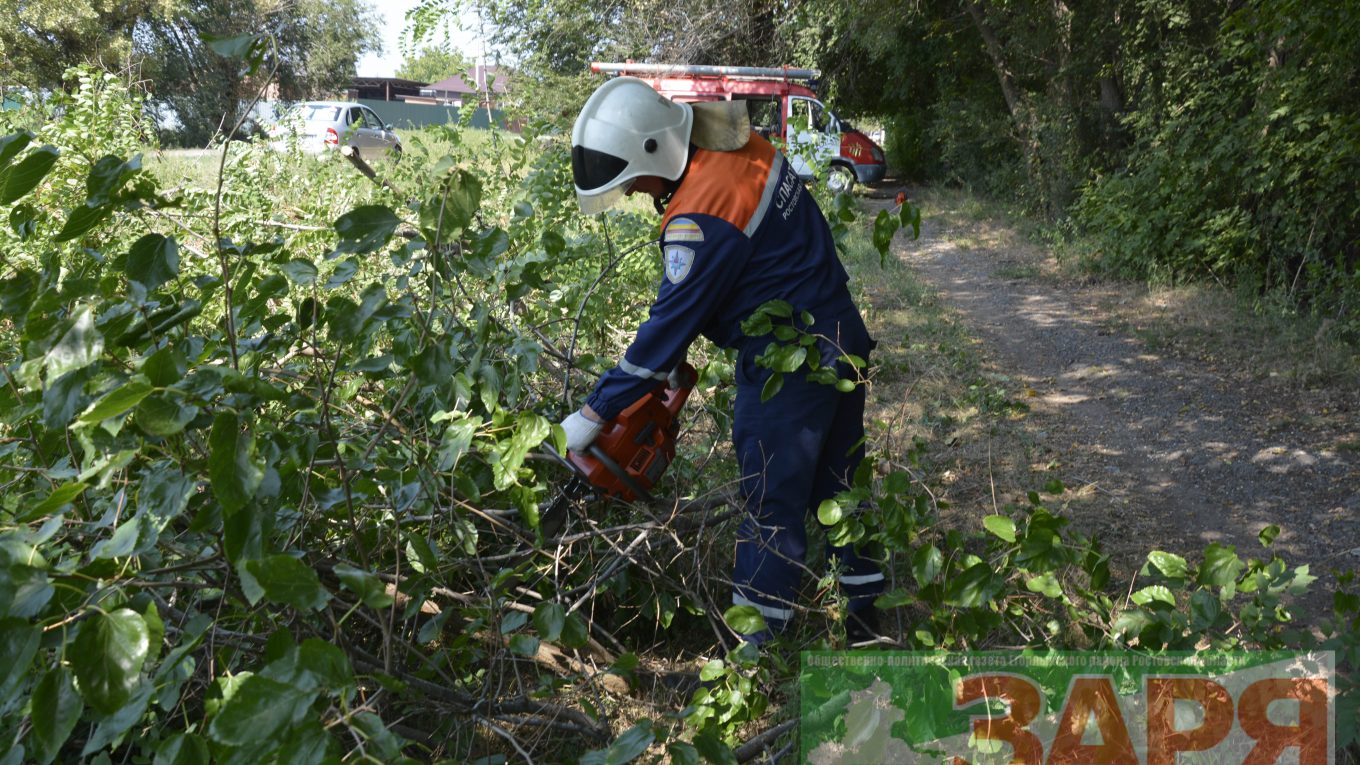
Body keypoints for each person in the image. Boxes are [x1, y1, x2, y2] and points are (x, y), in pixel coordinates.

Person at [558, 76, 884, 644]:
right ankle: (866, 619)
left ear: (654, 149)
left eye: (632, 178)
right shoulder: (739, 146)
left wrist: (594, 413)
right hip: (839, 332)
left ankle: (754, 653)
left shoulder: (700, 217)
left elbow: (666, 330)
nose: (631, 192)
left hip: (789, 362)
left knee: (769, 499)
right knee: (842, 484)